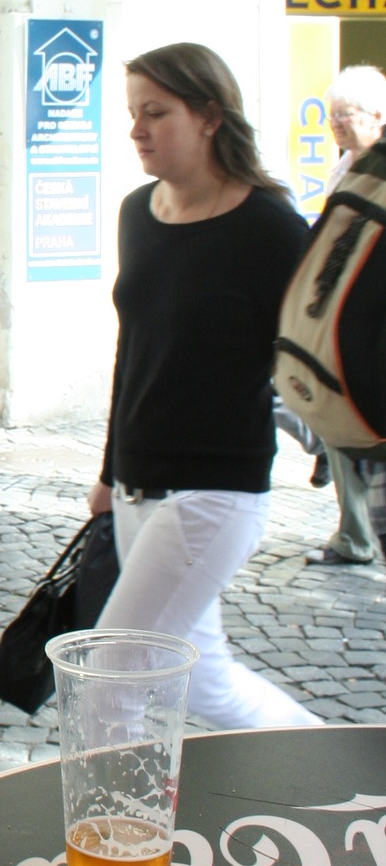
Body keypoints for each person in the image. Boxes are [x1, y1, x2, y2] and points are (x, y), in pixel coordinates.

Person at [87, 42, 321, 730]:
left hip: (214, 493)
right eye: (133, 112)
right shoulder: (137, 212)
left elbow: (318, 353)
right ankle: (337, 766)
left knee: (108, 684)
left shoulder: (272, 229)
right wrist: (108, 472)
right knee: (205, 682)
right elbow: (132, 349)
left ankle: (121, 813)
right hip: (137, 487)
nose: (136, 130)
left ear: (210, 117)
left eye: (155, 113)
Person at [307, 64, 386, 567]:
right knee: (335, 421)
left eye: (347, 114)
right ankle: (354, 534)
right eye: (332, 115)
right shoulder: (344, 169)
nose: (336, 123)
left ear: (378, 116)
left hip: (372, 325)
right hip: (344, 321)